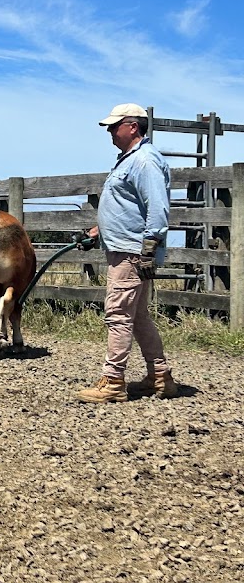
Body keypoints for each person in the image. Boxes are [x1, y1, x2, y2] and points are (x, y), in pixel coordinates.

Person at [75, 103, 178, 403]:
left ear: (132, 126)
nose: (109, 131)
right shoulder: (130, 160)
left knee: (118, 314)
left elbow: (157, 207)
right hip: (127, 247)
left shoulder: (144, 160)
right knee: (138, 317)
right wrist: (99, 231)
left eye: (114, 125)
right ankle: (160, 377)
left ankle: (113, 381)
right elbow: (126, 207)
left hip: (132, 253)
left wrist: (149, 247)